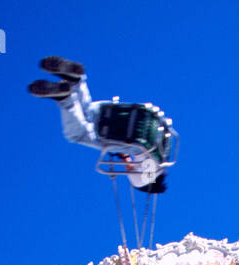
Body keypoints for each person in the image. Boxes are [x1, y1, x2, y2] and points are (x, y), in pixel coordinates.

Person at [29, 56, 172, 194]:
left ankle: (76, 81)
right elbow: (130, 166)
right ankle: (65, 99)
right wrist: (123, 157)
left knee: (89, 114)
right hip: (135, 143)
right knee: (78, 135)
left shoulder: (163, 155)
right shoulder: (143, 182)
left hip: (131, 119)